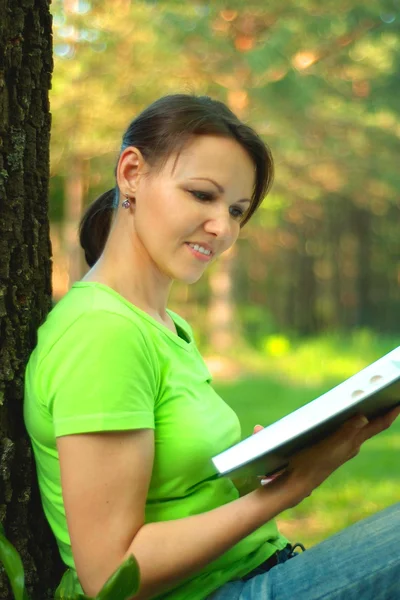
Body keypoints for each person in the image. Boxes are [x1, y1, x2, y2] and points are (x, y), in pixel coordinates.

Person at [24, 94, 400, 600]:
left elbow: (178, 495)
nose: (223, 228)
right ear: (132, 172)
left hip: (256, 570)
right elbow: (110, 575)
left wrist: (269, 466)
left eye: (237, 210)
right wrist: (291, 489)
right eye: (202, 195)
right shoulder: (102, 333)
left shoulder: (164, 325)